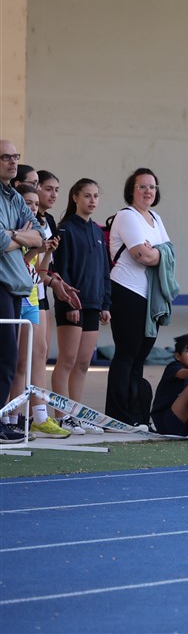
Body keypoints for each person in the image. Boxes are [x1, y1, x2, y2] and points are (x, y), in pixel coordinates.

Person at [105, 168, 173, 428]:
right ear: (131, 191)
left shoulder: (155, 217)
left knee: (140, 356)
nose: (148, 191)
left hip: (150, 298)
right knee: (127, 354)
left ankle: (135, 414)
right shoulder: (126, 216)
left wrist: (157, 252)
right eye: (142, 186)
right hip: (127, 292)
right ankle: (117, 415)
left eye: (152, 187)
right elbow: (142, 256)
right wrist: (158, 253)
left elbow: (169, 251)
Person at [50, 179, 110, 434]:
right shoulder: (65, 230)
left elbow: (104, 271)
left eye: (96, 195)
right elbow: (61, 269)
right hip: (71, 304)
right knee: (67, 360)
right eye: (87, 195)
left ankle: (77, 415)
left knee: (84, 362)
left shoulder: (97, 231)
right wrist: (68, 301)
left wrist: (105, 303)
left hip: (93, 304)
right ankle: (62, 416)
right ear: (75, 197)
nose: (92, 200)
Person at [11, 184, 70, 438]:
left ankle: (22, 418)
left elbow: (40, 274)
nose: (34, 208)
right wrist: (36, 248)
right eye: (29, 203)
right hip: (17, 299)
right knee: (14, 362)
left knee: (28, 361)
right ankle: (9, 417)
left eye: (36, 204)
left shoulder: (37, 232)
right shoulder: (17, 230)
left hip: (33, 300)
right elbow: (19, 264)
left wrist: (46, 252)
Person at [0, 140, 45, 444]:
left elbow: (38, 236)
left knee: (10, 358)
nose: (13, 162)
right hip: (2, 284)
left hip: (16, 287)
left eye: (15, 157)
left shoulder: (15, 197)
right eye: (5, 157)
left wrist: (14, 235)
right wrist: (20, 237)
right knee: (5, 357)